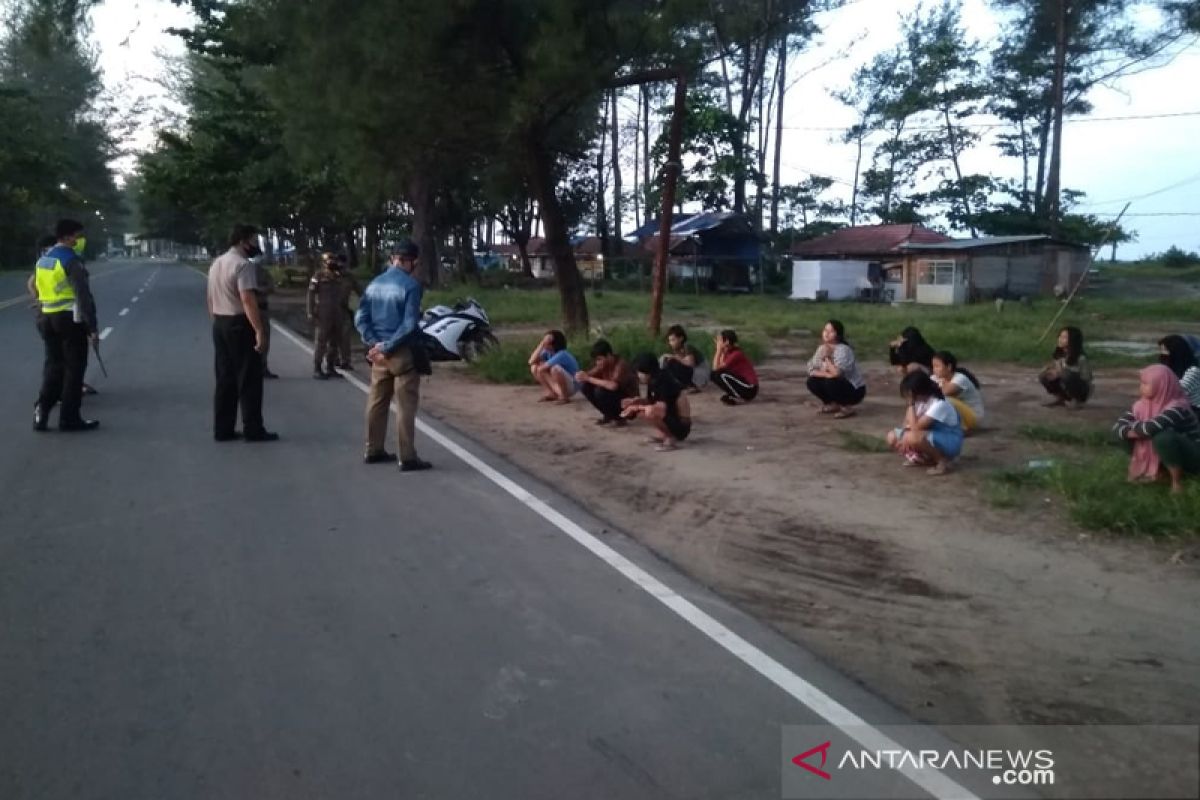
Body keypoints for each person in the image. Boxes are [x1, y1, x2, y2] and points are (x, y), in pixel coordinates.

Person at [356, 241, 431, 471]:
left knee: (376, 402)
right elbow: (409, 324)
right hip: (401, 352)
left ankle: (373, 449)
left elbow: (361, 318)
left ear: (392, 259)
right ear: (412, 261)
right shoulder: (411, 286)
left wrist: (374, 344)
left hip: (378, 354)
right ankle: (406, 456)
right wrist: (388, 346)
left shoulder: (373, 284)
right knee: (405, 405)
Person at [207, 224, 277, 442]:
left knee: (225, 378)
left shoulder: (217, 263)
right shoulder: (242, 265)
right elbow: (247, 299)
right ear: (242, 241)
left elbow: (209, 297)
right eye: (254, 240)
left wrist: (217, 320)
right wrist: (259, 331)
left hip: (220, 323)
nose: (256, 244)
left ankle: (223, 429)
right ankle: (253, 429)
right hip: (239, 323)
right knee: (249, 379)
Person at [32, 219, 100, 431]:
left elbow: (37, 287)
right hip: (69, 320)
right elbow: (83, 296)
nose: (80, 240)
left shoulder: (44, 260)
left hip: (46, 319)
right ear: (68, 236)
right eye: (78, 236)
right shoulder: (72, 261)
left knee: (53, 366)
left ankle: (41, 413)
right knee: (74, 370)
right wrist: (92, 328)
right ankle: (69, 419)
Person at [1113, 364, 1200, 494]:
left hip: (1193, 456)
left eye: (1145, 383)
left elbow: (1153, 427)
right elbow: (1117, 428)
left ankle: (1176, 481)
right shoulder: (1140, 406)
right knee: (1122, 436)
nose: (1141, 387)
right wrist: (1135, 430)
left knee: (1163, 437)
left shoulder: (1177, 406)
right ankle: (1160, 472)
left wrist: (1133, 429)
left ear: (1162, 385)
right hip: (1171, 451)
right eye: (1141, 383)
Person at [886, 370, 964, 476]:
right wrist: (903, 438)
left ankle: (942, 461)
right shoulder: (920, 402)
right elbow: (906, 423)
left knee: (913, 438)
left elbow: (916, 429)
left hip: (948, 439)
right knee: (892, 436)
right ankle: (926, 457)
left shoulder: (939, 404)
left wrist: (911, 405)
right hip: (930, 435)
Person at [621, 353, 691, 452]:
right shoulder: (651, 381)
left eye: (639, 372)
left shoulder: (664, 380)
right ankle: (663, 434)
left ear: (648, 371)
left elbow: (661, 407)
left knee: (650, 411)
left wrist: (636, 407)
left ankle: (670, 438)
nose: (638, 375)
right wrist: (634, 402)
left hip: (681, 426)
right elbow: (648, 401)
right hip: (671, 417)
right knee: (643, 411)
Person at [806, 319, 867, 419]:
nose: (827, 333)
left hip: (854, 390)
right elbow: (811, 370)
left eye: (831, 331)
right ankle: (833, 403)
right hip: (834, 381)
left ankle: (847, 407)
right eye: (825, 330)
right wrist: (827, 375)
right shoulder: (821, 348)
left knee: (831, 382)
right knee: (812, 381)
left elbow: (837, 373)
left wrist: (827, 357)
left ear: (838, 334)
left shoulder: (843, 350)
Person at [576, 339, 640, 425]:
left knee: (600, 391)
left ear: (609, 355)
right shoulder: (603, 364)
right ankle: (609, 415)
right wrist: (582, 375)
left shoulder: (620, 365)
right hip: (616, 397)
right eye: (596, 360)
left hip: (629, 402)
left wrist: (588, 378)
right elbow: (589, 374)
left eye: (599, 359)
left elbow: (613, 386)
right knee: (585, 386)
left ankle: (620, 417)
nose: (597, 363)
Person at [307, 252, 348, 380]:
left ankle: (331, 367)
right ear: (324, 262)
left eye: (334, 260)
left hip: (337, 312)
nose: (332, 262)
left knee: (335, 341)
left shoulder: (338, 276)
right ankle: (317, 368)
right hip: (323, 313)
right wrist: (310, 311)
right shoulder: (318, 276)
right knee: (321, 341)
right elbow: (311, 294)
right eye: (330, 260)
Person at [1039, 326, 1093, 407]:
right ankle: (1060, 399)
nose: (1060, 339)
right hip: (1066, 384)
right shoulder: (1060, 354)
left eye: (1064, 337)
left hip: (1082, 390)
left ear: (1073, 341)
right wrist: (1050, 370)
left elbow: (1087, 377)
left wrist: (1062, 373)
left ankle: (1077, 401)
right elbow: (1057, 370)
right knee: (1044, 375)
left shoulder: (1081, 358)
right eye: (1060, 336)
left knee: (1066, 374)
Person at [931, 350, 984, 432]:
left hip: (973, 416)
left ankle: (961, 429)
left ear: (948, 367)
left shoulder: (960, 378)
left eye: (937, 366)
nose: (934, 370)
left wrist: (940, 384)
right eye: (933, 366)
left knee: (944, 400)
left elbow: (945, 392)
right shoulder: (935, 378)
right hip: (960, 415)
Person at [528, 330, 580, 404]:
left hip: (571, 386)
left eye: (547, 341)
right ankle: (551, 393)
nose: (545, 343)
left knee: (554, 369)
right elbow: (531, 362)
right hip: (560, 384)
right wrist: (541, 345)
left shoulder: (562, 354)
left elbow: (541, 369)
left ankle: (564, 396)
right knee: (534, 367)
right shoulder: (548, 352)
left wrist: (542, 365)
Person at [709, 329, 759, 406]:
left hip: (750, 388)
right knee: (713, 375)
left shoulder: (736, 354)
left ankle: (735, 397)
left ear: (727, 342)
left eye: (720, 340)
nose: (718, 342)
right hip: (743, 385)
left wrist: (718, 350)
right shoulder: (728, 353)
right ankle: (732, 395)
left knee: (720, 374)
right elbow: (717, 368)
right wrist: (721, 351)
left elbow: (716, 368)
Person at [660, 324, 709, 392]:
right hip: (693, 373)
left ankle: (690, 385)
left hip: (699, 375)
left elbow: (690, 364)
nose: (671, 343)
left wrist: (675, 357)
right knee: (669, 362)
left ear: (681, 338)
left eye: (673, 340)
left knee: (672, 362)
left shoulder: (687, 346)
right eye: (670, 340)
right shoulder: (677, 348)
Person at [1157, 335, 1200, 411]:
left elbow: (1176, 392)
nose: (1163, 358)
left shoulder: (1193, 371)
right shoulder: (1169, 370)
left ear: (1176, 353)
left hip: (1193, 413)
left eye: (1166, 353)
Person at [334, 254, 362, 370]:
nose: (341, 266)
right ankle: (333, 359)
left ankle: (345, 360)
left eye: (343, 264)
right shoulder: (329, 275)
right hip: (329, 310)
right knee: (332, 337)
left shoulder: (350, 277)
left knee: (345, 336)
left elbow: (360, 291)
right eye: (338, 263)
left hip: (344, 309)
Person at [254, 256, 279, 379]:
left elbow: (271, 288)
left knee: (264, 339)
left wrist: (258, 290)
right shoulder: (243, 272)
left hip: (262, 308)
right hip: (249, 310)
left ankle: (263, 367)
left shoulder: (264, 273)